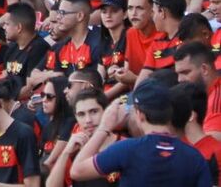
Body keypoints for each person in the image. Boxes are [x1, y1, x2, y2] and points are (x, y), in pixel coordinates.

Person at [70, 78, 211, 187]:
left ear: (140, 114)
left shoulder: (127, 149)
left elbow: (77, 171)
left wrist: (104, 128)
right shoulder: (194, 156)